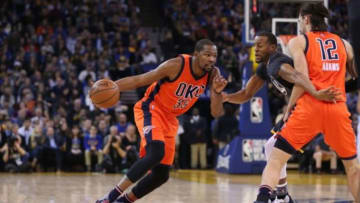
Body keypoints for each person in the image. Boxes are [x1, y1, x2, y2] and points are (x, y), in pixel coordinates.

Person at [96, 39, 227, 203]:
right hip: (151, 109)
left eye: (214, 56)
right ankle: (109, 198)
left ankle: (124, 201)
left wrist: (217, 92)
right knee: (156, 153)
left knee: (161, 175)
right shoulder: (176, 65)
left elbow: (216, 112)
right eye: (207, 55)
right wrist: (112, 87)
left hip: (170, 118)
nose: (212, 60)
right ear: (196, 55)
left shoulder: (213, 74)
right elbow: (140, 80)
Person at [254, 3, 359, 202]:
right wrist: (334, 79)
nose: (300, 24)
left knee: (276, 158)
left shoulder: (299, 41)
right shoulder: (345, 44)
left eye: (300, 20)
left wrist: (289, 108)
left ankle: (262, 198)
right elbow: (354, 78)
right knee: (352, 168)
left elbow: (301, 79)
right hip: (337, 106)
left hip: (310, 107)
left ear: (307, 19)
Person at [222, 31, 339, 202]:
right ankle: (283, 195)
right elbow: (247, 93)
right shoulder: (264, 68)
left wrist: (317, 93)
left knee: (272, 147)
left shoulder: (278, 63)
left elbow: (299, 77)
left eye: (260, 45)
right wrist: (226, 97)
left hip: (312, 108)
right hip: (302, 107)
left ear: (273, 47)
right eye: (255, 46)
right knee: (271, 146)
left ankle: (279, 195)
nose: (256, 49)